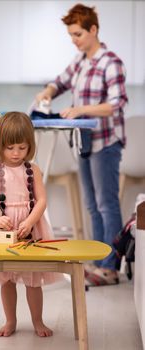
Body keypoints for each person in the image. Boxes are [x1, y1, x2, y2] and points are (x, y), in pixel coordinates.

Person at [35, 3, 128, 286]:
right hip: (84, 142)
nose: (74, 40)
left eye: (77, 34)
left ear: (93, 30)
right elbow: (61, 81)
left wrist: (81, 109)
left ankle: (110, 268)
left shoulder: (111, 62)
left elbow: (117, 104)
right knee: (91, 205)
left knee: (106, 204)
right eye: (71, 35)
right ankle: (99, 262)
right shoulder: (80, 61)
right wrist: (48, 91)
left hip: (106, 142)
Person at [0, 111, 61, 337]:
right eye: (10, 147)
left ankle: (38, 321)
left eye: (22, 148)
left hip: (30, 228)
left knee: (33, 280)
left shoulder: (32, 169)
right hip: (2, 229)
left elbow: (42, 200)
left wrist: (29, 220)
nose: (16, 153)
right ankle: (10, 321)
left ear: (30, 146)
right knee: (7, 279)